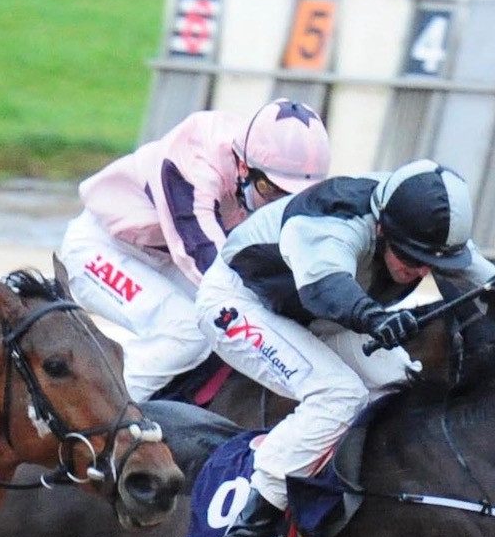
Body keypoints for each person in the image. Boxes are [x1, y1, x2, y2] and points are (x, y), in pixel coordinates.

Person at [199, 159, 495, 537]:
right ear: (381, 228)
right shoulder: (332, 221)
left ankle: (354, 506)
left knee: (400, 383)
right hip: (241, 304)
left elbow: (482, 277)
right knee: (338, 394)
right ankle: (245, 533)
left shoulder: (414, 220)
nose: (420, 271)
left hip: (314, 318)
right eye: (411, 257)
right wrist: (374, 318)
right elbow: (326, 287)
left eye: (429, 262)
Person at [58, 99, 331, 402]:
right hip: (102, 249)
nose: (278, 205)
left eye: (292, 196)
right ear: (244, 167)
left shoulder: (262, 162)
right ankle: (105, 415)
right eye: (270, 190)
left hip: (165, 255)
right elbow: (207, 263)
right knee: (187, 332)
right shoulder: (193, 162)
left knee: (222, 325)